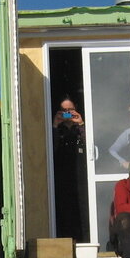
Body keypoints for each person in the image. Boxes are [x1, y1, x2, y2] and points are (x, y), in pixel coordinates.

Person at [51, 97, 88, 242]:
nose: (67, 113)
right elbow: (51, 149)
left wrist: (82, 124)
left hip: (81, 179)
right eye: (64, 111)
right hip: (62, 180)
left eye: (70, 110)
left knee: (83, 213)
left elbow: (91, 148)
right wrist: (55, 125)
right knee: (64, 213)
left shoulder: (81, 129)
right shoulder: (56, 130)